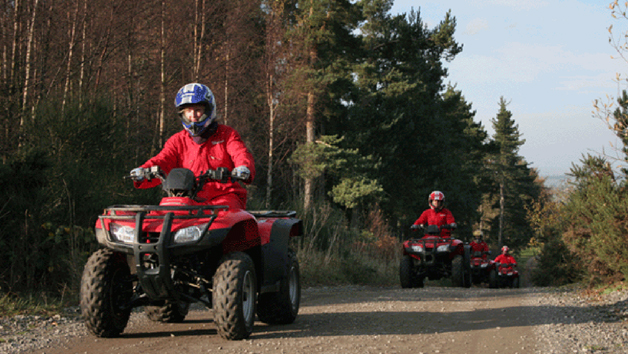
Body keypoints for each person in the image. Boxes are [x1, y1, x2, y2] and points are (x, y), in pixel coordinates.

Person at [130, 83, 255, 211]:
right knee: (162, 215)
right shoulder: (177, 141)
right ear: (182, 114)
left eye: (198, 110)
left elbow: (240, 153)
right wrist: (143, 171)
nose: (193, 115)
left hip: (224, 196)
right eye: (189, 111)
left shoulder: (227, 135)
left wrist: (243, 168)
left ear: (208, 110)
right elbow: (163, 160)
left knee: (227, 216)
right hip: (188, 199)